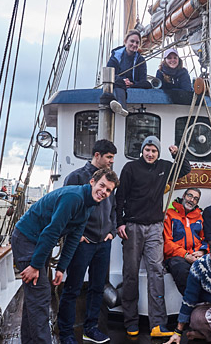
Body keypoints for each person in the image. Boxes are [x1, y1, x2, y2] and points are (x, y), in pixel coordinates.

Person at [11, 169, 118, 344]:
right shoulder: (74, 198)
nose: (104, 192)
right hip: (27, 239)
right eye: (102, 186)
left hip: (38, 243)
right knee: (40, 295)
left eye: (108, 190)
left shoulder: (89, 203)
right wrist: (35, 265)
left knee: (34, 295)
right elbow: (51, 232)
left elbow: (74, 236)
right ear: (92, 182)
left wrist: (61, 268)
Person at [115, 135, 191, 337]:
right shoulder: (130, 168)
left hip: (155, 228)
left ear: (158, 153)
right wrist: (119, 223)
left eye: (154, 151)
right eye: (147, 150)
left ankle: (158, 324)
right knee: (130, 273)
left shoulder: (164, 167)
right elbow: (120, 196)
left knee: (156, 272)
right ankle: (130, 321)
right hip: (132, 227)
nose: (150, 154)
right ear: (142, 150)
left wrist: (178, 155)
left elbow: (185, 170)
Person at [57, 140, 118, 344]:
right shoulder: (76, 177)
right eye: (109, 157)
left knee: (97, 287)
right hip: (82, 242)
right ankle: (65, 332)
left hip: (103, 242)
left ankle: (90, 328)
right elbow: (65, 207)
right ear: (97, 155)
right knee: (72, 287)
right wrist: (77, 233)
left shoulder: (109, 180)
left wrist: (112, 231)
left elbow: (114, 208)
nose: (111, 161)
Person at [163, 188, 207, 295]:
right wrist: (185, 255)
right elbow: (167, 243)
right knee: (183, 271)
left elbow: (206, 239)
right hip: (176, 257)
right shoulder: (169, 214)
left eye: (196, 199)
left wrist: (203, 252)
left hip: (196, 255)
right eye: (190, 196)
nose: (191, 200)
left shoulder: (199, 217)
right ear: (184, 195)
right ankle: (193, 303)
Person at [101, 29, 150, 117]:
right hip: (117, 84)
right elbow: (109, 75)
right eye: (132, 41)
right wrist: (122, 81)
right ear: (125, 41)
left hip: (132, 85)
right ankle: (121, 106)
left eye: (137, 43)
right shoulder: (115, 57)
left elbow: (143, 80)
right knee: (117, 82)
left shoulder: (141, 60)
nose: (134, 44)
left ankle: (121, 106)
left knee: (147, 84)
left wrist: (132, 83)